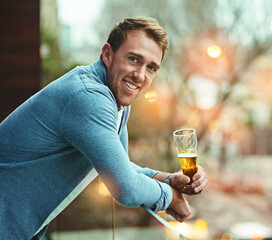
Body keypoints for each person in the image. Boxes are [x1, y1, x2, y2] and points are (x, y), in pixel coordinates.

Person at [0, 17, 207, 239]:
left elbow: (119, 166)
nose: (140, 75)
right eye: (134, 59)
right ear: (108, 54)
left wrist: (168, 179)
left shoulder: (115, 99)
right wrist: (171, 197)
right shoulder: (90, 98)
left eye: (151, 67)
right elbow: (125, 188)